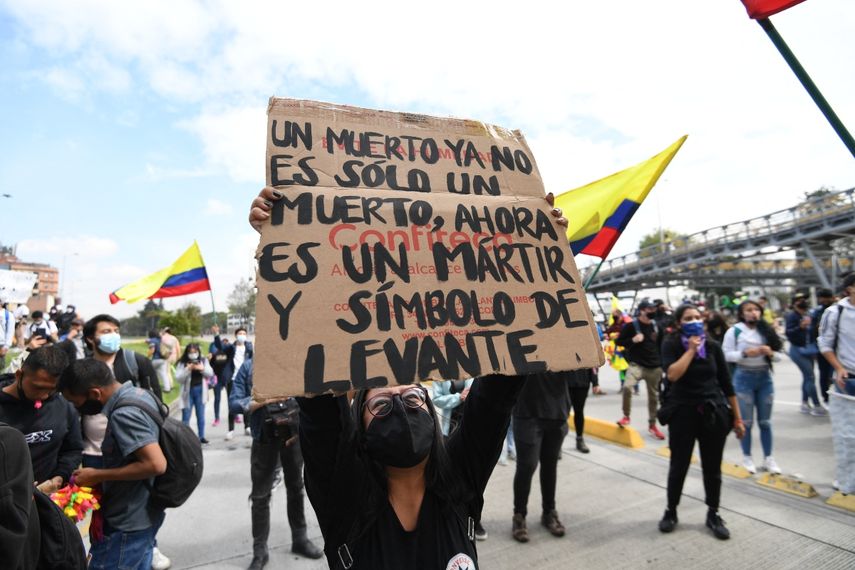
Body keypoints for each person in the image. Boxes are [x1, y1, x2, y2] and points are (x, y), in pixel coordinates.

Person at [249, 185, 568, 569]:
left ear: (432, 413)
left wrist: (530, 245)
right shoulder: (345, 498)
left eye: (414, 398)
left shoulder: (460, 479)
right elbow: (318, 402)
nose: (402, 406)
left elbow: (500, 390)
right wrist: (289, 232)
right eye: (382, 404)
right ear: (358, 428)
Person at [59, 358, 167, 570]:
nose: (76, 408)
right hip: (144, 513)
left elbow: (156, 464)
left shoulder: (124, 414)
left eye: (75, 402)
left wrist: (98, 475)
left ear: (95, 394)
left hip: (127, 522)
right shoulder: (139, 394)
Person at [81, 315, 170, 570]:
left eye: (116, 330)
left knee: (131, 512)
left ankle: (145, 548)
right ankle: (110, 547)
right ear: (90, 338)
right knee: (103, 515)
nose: (113, 334)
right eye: (106, 330)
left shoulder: (134, 361)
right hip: (93, 451)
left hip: (131, 453)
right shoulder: (82, 369)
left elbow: (157, 402)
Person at [657, 304, 745, 540]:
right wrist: (691, 351)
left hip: (712, 413)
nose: (694, 321)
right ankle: (671, 511)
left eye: (697, 317)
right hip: (682, 413)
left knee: (712, 467)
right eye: (688, 318)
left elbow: (727, 385)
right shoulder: (671, 344)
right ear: (679, 323)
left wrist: (738, 418)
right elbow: (673, 375)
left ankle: (713, 513)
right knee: (679, 465)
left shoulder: (714, 347)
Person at [229, 358, 323, 569]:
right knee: (261, 495)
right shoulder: (249, 367)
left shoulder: (293, 360)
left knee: (296, 487)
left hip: (294, 434)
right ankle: (259, 550)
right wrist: (264, 400)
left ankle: (300, 538)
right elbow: (234, 403)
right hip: (264, 437)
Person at [0, 346, 83, 494]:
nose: (44, 396)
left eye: (52, 389)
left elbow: (72, 449)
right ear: (19, 375)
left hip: (46, 500)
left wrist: (59, 477)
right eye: (37, 388)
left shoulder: (63, 406)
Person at [722, 300, 784, 475]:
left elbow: (779, 356)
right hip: (743, 378)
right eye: (748, 310)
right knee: (746, 423)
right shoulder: (734, 331)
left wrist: (770, 353)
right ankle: (747, 457)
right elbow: (725, 355)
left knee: (765, 422)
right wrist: (744, 354)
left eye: (756, 309)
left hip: (764, 378)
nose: (753, 313)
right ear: (741, 314)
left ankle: (768, 458)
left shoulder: (767, 331)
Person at [615, 300, 666, 440]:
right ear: (642, 310)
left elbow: (662, 346)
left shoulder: (657, 326)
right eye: (650, 309)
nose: (653, 312)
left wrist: (662, 365)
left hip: (654, 367)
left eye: (654, 309)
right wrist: (633, 340)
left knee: (653, 397)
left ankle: (652, 425)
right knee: (627, 387)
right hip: (637, 365)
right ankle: (626, 416)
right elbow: (618, 342)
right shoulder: (631, 326)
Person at [785, 293, 826, 415]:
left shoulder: (809, 314)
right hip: (798, 350)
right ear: (794, 303)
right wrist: (800, 326)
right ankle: (817, 405)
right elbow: (789, 333)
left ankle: (804, 403)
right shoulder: (792, 316)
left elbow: (813, 333)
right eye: (799, 300)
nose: (803, 302)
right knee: (810, 377)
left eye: (804, 299)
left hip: (810, 350)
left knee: (807, 377)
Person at [212, 324, 252, 440]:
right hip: (233, 380)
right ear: (236, 336)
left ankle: (247, 426)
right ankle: (231, 429)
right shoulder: (231, 347)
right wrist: (216, 334)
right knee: (232, 404)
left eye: (244, 334)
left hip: (246, 379)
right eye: (240, 334)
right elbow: (220, 347)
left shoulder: (249, 347)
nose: (242, 336)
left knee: (247, 403)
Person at [819, 273, 855, 397]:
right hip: (848, 377)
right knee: (849, 415)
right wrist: (839, 368)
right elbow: (824, 344)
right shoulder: (835, 312)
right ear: (850, 289)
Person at [176, 343, 213, 445]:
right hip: (187, 393)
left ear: (198, 352)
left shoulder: (203, 361)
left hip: (200, 391)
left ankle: (201, 437)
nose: (193, 355)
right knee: (186, 416)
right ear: (187, 353)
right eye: (190, 353)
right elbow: (178, 378)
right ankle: (185, 439)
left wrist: (202, 369)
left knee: (200, 416)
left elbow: (210, 373)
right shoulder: (182, 363)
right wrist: (188, 369)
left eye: (195, 352)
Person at [811, 288, 836, 403]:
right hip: (821, 349)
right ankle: (826, 397)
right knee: (824, 374)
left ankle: (835, 397)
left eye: (826, 297)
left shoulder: (838, 310)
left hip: (837, 349)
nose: (824, 300)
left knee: (834, 373)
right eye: (822, 298)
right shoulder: (817, 312)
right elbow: (812, 332)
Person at [568, 368, 594, 453]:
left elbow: (593, 363)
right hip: (566, 382)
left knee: (579, 412)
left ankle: (580, 439)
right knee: (563, 414)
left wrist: (595, 382)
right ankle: (558, 444)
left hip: (583, 382)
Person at [208, 337, 230, 427]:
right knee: (217, 399)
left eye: (226, 344)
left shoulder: (229, 352)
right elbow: (210, 363)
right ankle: (216, 418)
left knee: (230, 398)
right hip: (217, 378)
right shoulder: (214, 350)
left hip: (227, 378)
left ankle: (234, 415)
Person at [147, 330, 172, 394]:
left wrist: (147, 357)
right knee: (164, 374)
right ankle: (167, 388)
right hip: (163, 359)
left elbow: (152, 350)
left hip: (156, 359)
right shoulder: (160, 340)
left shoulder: (152, 340)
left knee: (150, 373)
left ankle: (150, 386)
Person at [1, 300, 16, 370]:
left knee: (1, 367)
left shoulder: (8, 315)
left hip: (1, 344)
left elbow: (10, 331)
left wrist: (6, 346)